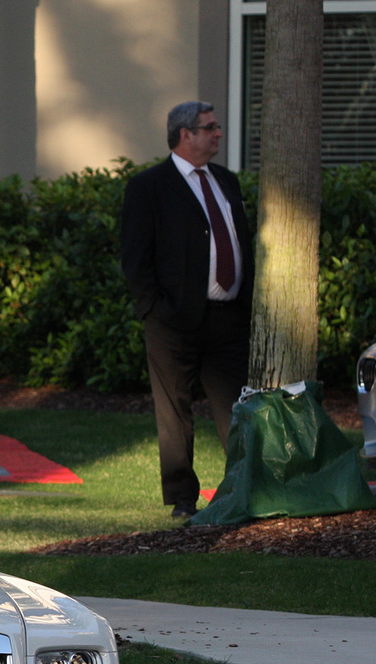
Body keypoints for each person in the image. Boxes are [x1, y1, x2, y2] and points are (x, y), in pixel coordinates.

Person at [120, 101, 253, 519]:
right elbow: (136, 258)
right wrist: (154, 311)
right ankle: (182, 498)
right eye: (209, 128)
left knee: (236, 407)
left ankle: (243, 488)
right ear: (185, 135)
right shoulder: (150, 187)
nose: (218, 134)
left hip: (227, 317)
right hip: (173, 321)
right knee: (174, 410)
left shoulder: (226, 181)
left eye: (216, 127)